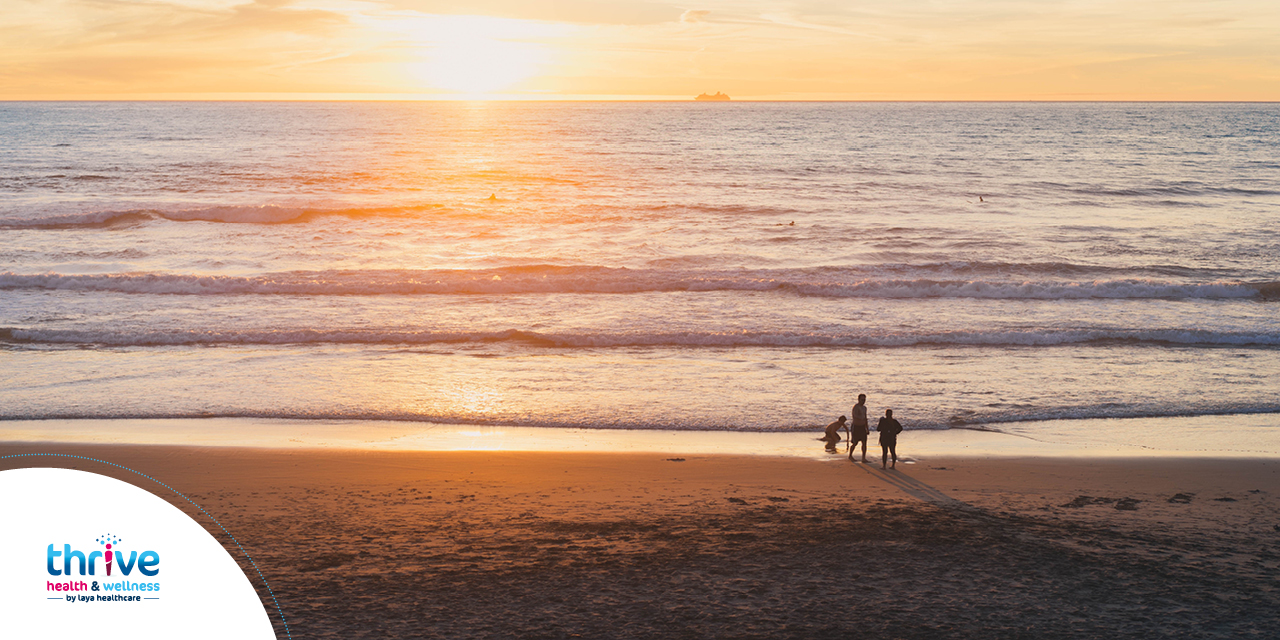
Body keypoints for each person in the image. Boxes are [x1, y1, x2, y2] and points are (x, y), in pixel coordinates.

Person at [848, 394, 870, 462]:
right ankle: (850, 455)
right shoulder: (856, 407)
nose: (863, 401)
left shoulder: (864, 408)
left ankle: (863, 458)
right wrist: (862, 418)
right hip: (856, 426)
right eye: (862, 400)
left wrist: (867, 428)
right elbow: (855, 416)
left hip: (862, 427)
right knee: (855, 443)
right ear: (859, 399)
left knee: (864, 442)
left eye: (864, 400)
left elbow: (865, 418)